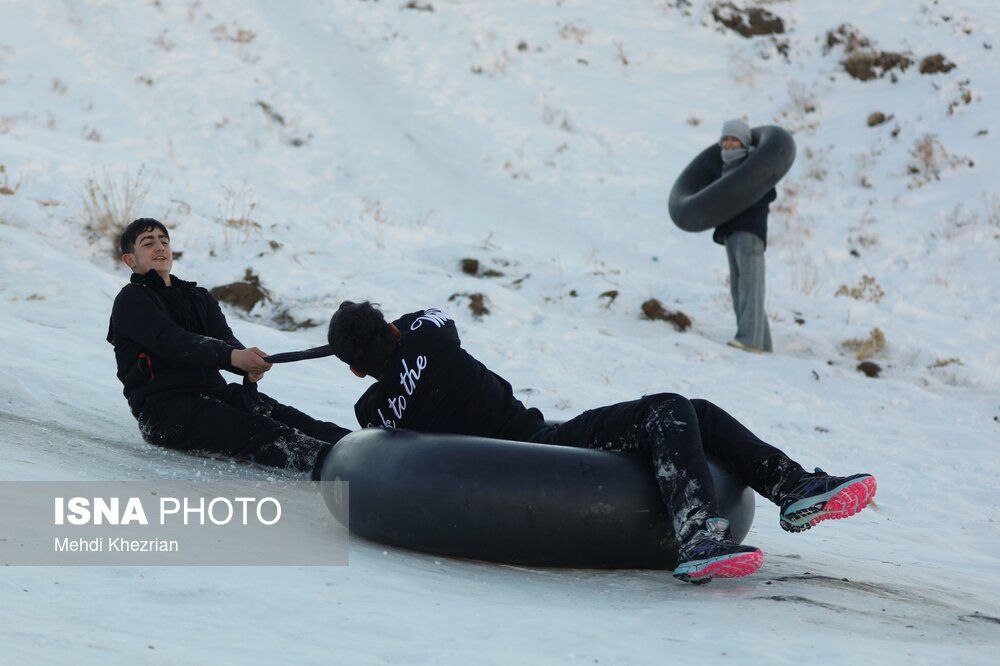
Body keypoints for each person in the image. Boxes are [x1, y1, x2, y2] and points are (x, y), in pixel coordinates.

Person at [322, 302, 876, 584]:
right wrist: (389, 330)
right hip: (545, 447)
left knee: (692, 415)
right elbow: (439, 321)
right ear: (391, 329)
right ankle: (703, 534)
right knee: (671, 407)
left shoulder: (370, 408)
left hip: (499, 466)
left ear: (353, 370)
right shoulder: (424, 332)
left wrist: (371, 355)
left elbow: (388, 425)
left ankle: (795, 487)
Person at [106, 218, 349, 478]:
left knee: (298, 421)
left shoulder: (198, 297)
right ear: (130, 260)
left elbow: (224, 338)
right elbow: (172, 341)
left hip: (216, 394)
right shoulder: (131, 300)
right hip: (166, 412)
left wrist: (248, 362)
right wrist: (233, 357)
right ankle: (348, 471)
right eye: (148, 243)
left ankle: (363, 448)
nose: (160, 247)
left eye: (164, 241)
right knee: (266, 433)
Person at [714, 118, 776, 353]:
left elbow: (768, 193)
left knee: (751, 285)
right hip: (731, 231)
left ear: (744, 143)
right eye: (726, 139)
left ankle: (749, 339)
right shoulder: (723, 169)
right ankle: (763, 341)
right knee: (740, 287)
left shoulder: (756, 165)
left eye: (735, 139)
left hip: (749, 230)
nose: (729, 144)